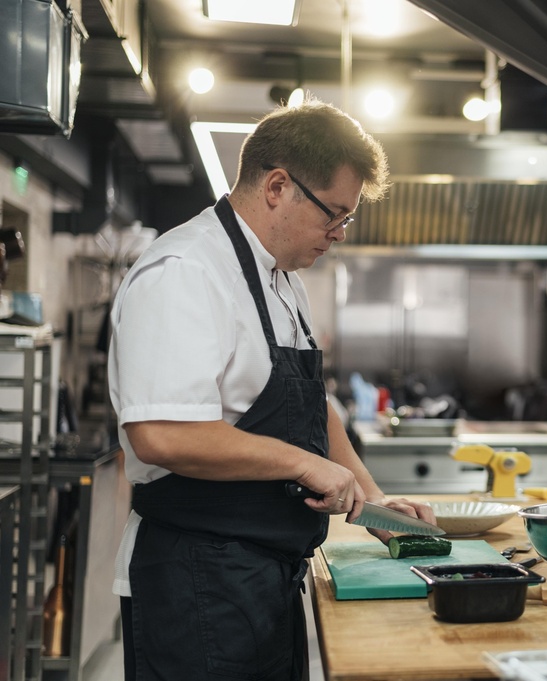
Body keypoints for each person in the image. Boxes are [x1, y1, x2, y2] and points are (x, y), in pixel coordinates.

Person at [107, 100, 436, 680]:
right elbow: (160, 434)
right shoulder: (187, 270)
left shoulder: (282, 280)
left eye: (346, 219)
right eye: (332, 214)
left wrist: (373, 500)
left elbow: (311, 404)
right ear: (279, 185)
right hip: (195, 581)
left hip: (265, 575)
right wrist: (305, 466)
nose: (337, 234)